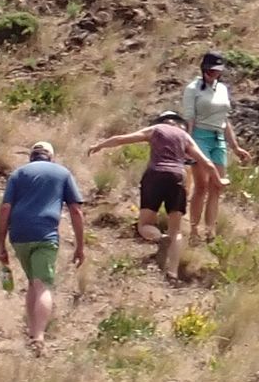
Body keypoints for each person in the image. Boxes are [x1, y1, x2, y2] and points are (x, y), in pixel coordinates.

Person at [90, 114, 223, 281]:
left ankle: (161, 238)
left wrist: (100, 145)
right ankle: (172, 272)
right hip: (177, 177)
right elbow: (208, 164)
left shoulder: (156, 130)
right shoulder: (185, 136)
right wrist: (218, 181)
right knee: (176, 231)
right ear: (178, 123)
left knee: (145, 224)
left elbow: (122, 139)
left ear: (162, 121)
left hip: (155, 176)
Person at [0, 141, 86, 354]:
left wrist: (1, 244)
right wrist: (80, 246)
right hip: (45, 234)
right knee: (42, 285)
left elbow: (5, 208)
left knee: (32, 283)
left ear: (31, 156)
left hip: (18, 235)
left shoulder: (18, 174)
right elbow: (75, 210)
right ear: (51, 157)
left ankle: (31, 331)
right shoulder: (62, 173)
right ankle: (38, 338)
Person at [180, 50, 244, 245]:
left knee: (217, 186)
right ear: (204, 69)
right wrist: (188, 144)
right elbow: (189, 117)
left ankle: (210, 230)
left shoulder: (222, 88)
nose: (214, 74)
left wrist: (236, 147)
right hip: (199, 137)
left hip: (218, 138)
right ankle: (193, 229)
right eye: (211, 70)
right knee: (202, 185)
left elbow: (224, 119)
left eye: (217, 71)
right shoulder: (193, 89)